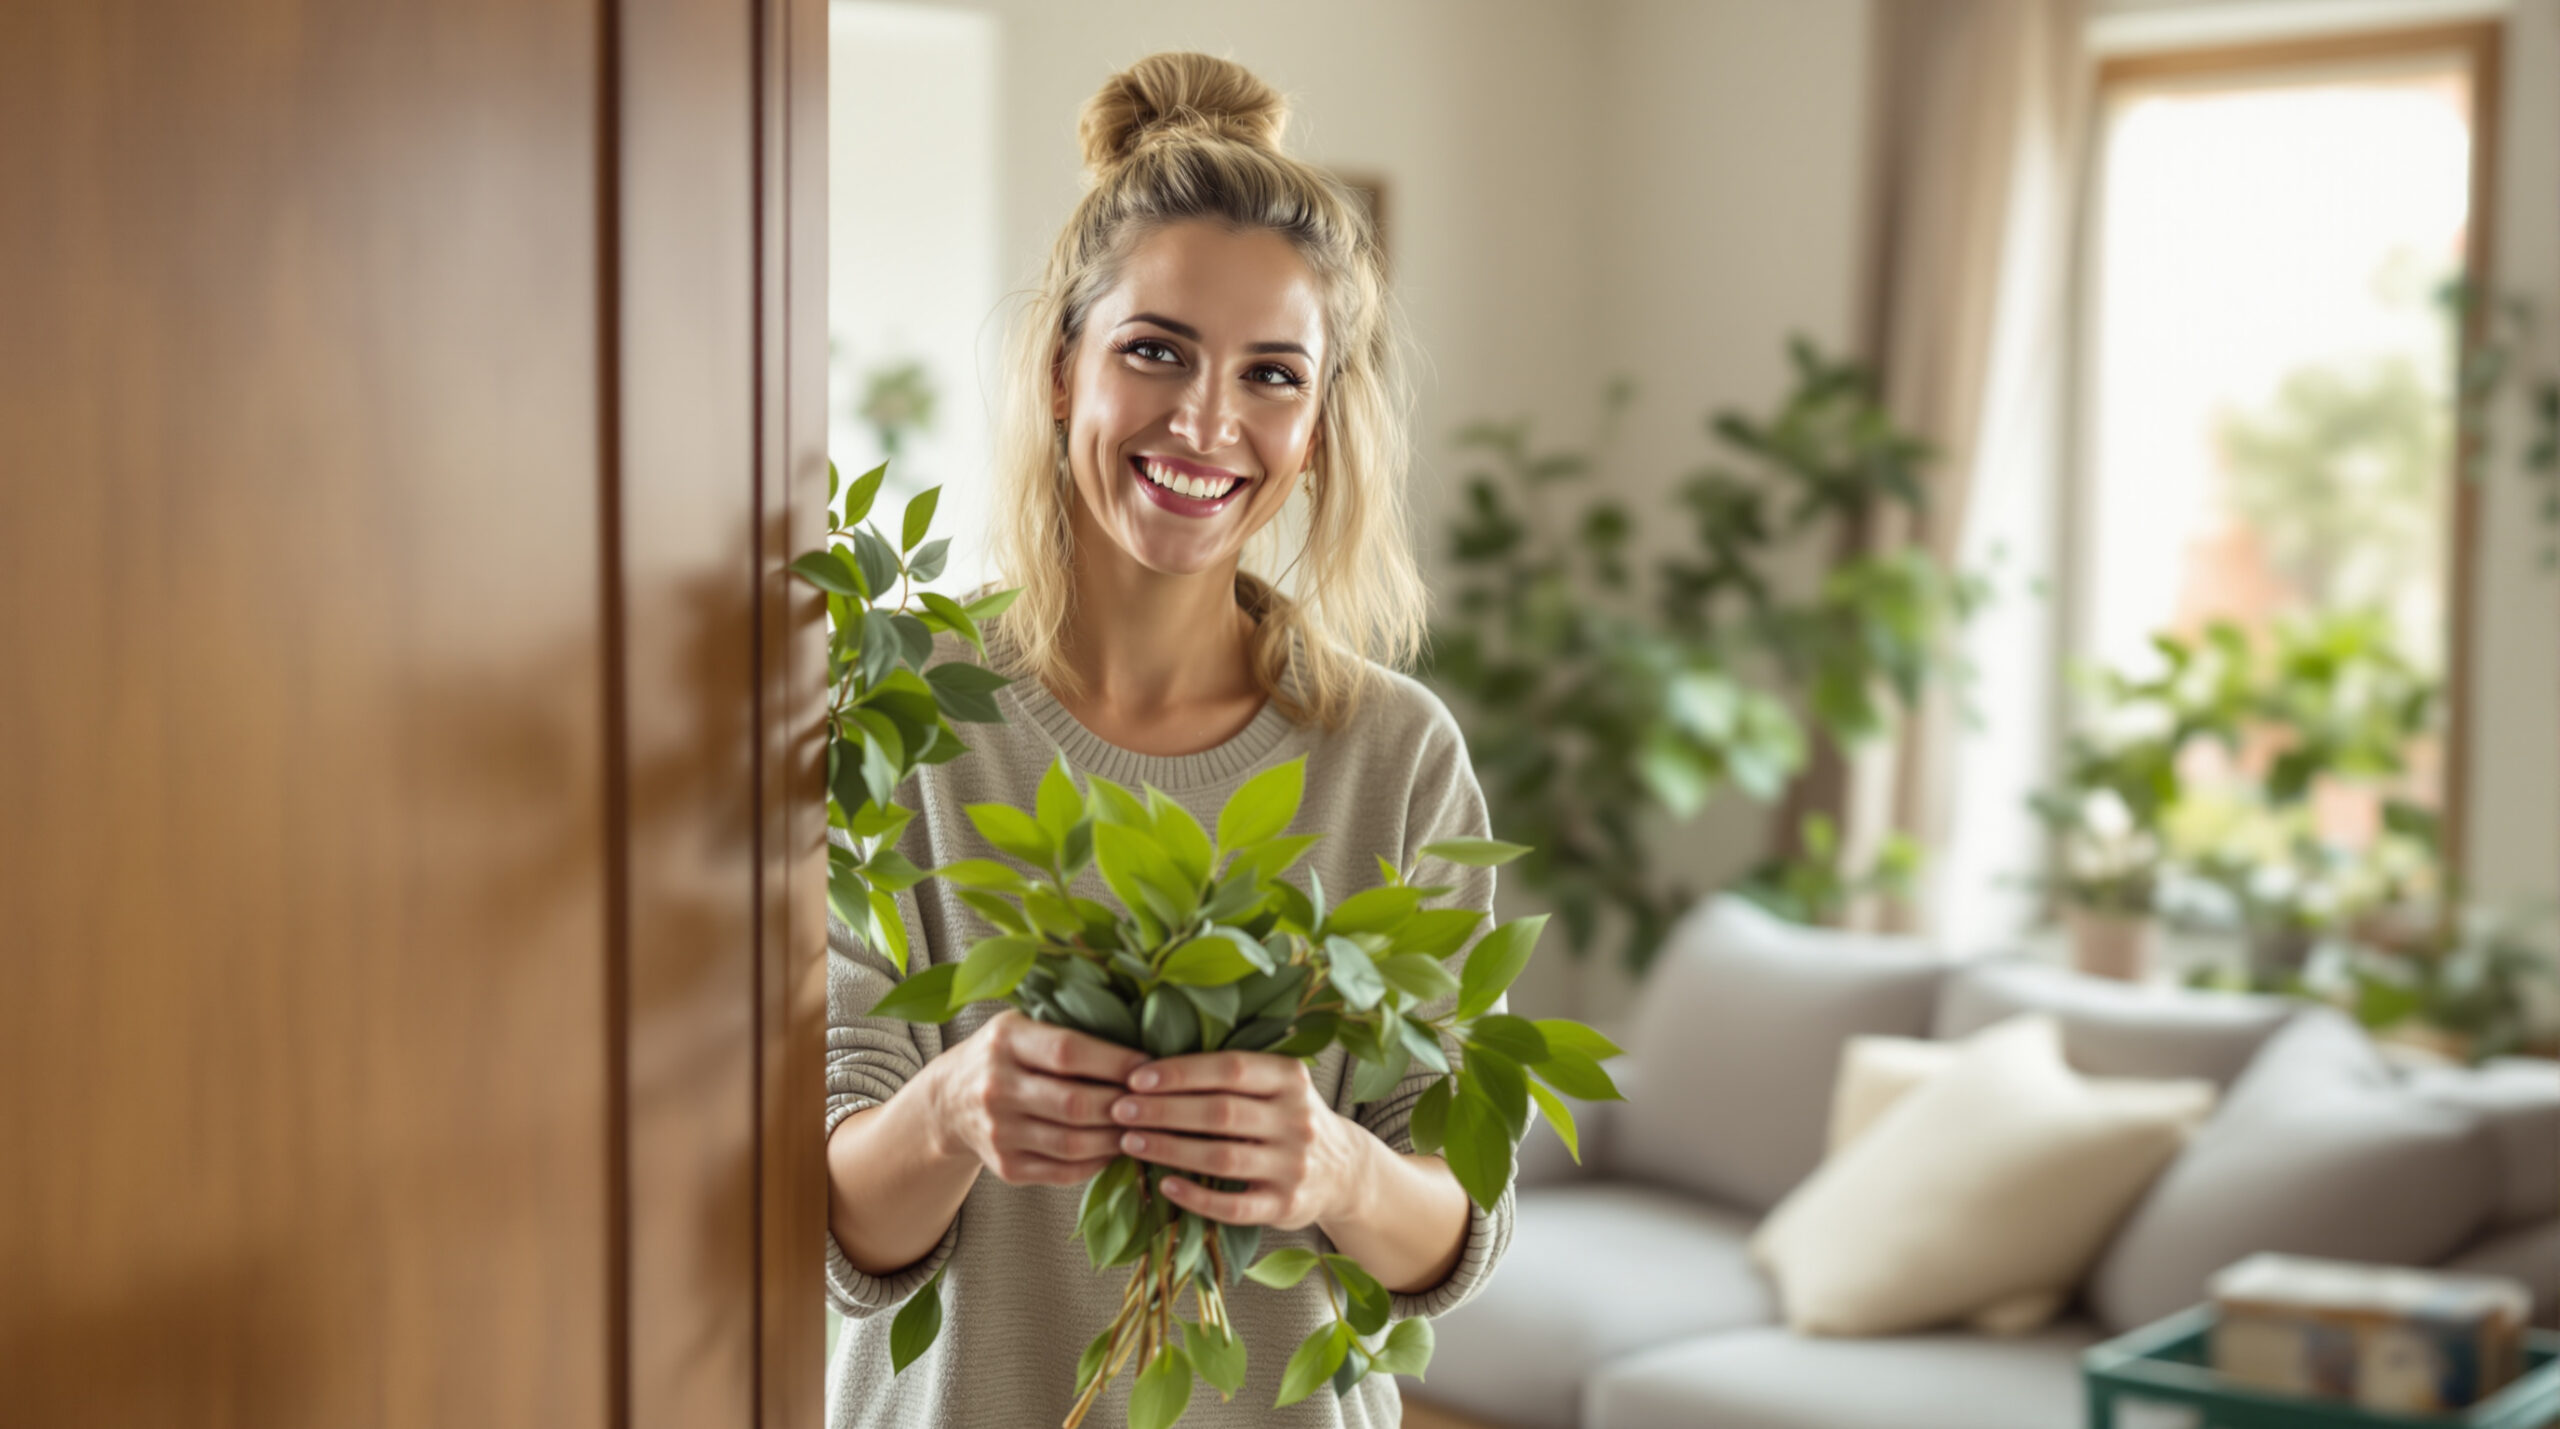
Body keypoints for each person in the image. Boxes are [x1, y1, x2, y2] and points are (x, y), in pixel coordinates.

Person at [822, 50, 1518, 1429]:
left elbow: (1446, 1232)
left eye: (1272, 375)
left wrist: (1330, 1168)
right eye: (1157, 350)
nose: (1208, 421)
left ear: (1317, 429)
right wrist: (954, 1108)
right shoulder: (892, 713)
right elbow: (836, 1225)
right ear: (1062, 363)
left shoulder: (1396, 752)